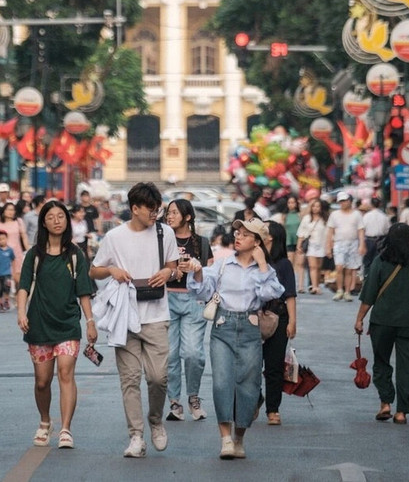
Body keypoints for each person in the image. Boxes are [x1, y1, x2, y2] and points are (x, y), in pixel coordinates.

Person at [89, 181, 179, 458]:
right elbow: (94, 271)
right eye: (150, 210)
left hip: (156, 316)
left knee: (158, 377)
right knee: (129, 380)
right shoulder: (115, 237)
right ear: (135, 208)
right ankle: (136, 436)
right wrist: (112, 271)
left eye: (158, 209)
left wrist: (168, 274)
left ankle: (156, 420)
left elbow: (174, 268)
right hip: (124, 317)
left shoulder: (166, 233)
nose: (155, 215)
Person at [186, 217, 284, 459]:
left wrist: (262, 265)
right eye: (237, 232)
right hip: (223, 325)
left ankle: (239, 437)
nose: (238, 236)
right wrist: (198, 272)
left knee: (248, 385)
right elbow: (202, 289)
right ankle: (226, 439)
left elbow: (269, 294)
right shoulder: (223, 264)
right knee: (221, 383)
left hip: (250, 327)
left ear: (257, 242)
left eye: (245, 234)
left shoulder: (266, 270)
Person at [17, 199, 95, 449]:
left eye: (60, 216)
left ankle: (65, 429)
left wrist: (90, 321)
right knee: (42, 381)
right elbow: (23, 286)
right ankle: (44, 421)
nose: (56, 221)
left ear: (67, 220)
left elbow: (83, 290)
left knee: (65, 373)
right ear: (43, 223)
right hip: (38, 324)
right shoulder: (34, 254)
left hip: (68, 324)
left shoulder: (75, 255)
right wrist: (21, 312)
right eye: (50, 217)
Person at [353, 223, 409, 425]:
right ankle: (402, 412)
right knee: (408, 366)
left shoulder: (380, 262)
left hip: (382, 322)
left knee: (381, 362)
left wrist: (360, 318)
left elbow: (369, 295)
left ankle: (386, 403)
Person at [164, 199, 213, 423]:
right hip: (166, 299)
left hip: (194, 300)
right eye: (168, 212)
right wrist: (172, 270)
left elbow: (210, 276)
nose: (169, 216)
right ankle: (175, 402)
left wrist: (196, 268)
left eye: (174, 212)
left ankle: (193, 397)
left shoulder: (201, 243)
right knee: (171, 354)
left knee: (193, 353)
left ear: (188, 217)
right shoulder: (162, 240)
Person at [261, 220, 297, 425]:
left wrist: (292, 321)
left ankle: (273, 409)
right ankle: (254, 399)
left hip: (279, 317)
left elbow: (290, 294)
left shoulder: (283, 264)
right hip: (253, 316)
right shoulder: (252, 259)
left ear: (271, 236)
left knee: (274, 366)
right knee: (249, 365)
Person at [326, 191, 366, 302]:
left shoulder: (356, 214)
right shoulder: (335, 215)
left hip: (353, 243)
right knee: (339, 267)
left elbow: (361, 230)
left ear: (349, 201)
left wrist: (362, 244)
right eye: (341, 201)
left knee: (349, 269)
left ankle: (347, 291)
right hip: (339, 243)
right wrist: (328, 246)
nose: (342, 203)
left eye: (344, 201)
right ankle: (339, 290)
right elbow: (330, 231)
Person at [296, 197, 329, 294]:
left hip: (321, 245)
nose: (315, 208)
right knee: (312, 266)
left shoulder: (325, 219)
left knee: (318, 267)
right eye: (313, 206)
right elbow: (301, 232)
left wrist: (329, 245)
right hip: (311, 245)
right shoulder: (307, 219)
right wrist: (299, 245)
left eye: (318, 206)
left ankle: (316, 285)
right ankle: (314, 286)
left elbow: (328, 233)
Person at [0, 202, 29, 288]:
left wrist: (28, 250)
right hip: (4, 255)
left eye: (13, 210)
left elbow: (24, 236)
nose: (11, 212)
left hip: (17, 253)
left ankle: (18, 300)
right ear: (4, 211)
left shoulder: (18, 222)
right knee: (6, 281)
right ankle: (6, 300)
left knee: (18, 279)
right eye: (9, 209)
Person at [361, 196, 390, 276]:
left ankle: (367, 277)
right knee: (378, 261)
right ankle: (377, 277)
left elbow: (362, 229)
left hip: (369, 240)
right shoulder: (384, 216)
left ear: (371, 205)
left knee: (367, 261)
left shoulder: (366, 216)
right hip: (381, 240)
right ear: (380, 204)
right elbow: (387, 230)